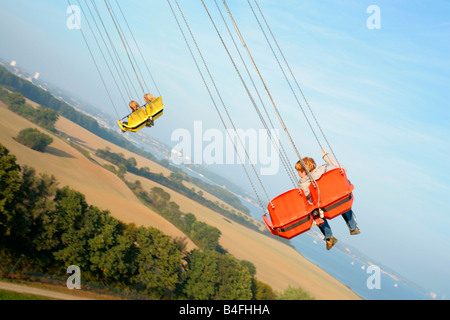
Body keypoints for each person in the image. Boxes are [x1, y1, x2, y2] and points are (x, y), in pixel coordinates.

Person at [295, 150, 360, 250]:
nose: (298, 174)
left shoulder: (304, 183)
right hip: (337, 200)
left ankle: (329, 237)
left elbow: (306, 197)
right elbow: (342, 169)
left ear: (304, 171)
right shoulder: (326, 168)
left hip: (324, 208)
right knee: (343, 202)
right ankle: (353, 227)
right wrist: (326, 156)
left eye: (299, 172)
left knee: (315, 214)